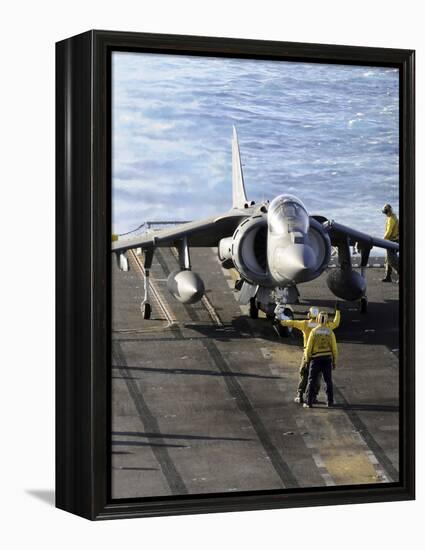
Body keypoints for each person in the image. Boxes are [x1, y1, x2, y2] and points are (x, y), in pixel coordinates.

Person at [280, 305, 340, 404]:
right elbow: (336, 323)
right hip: (321, 356)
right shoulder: (327, 327)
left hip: (308, 353)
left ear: (310, 314)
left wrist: (282, 322)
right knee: (317, 377)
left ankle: (300, 395)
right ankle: (314, 397)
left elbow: (292, 323)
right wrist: (337, 312)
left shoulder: (305, 324)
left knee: (304, 374)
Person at [303, 311, 338, 408]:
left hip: (316, 359)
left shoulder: (314, 331)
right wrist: (334, 361)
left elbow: (308, 348)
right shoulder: (330, 332)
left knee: (311, 380)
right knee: (328, 381)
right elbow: (334, 348)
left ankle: (308, 402)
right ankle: (330, 402)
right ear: (326, 320)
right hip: (327, 359)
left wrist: (307, 360)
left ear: (318, 319)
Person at [381, 203, 399, 282]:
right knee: (387, 259)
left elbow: (389, 231)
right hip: (393, 240)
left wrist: (383, 239)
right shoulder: (392, 216)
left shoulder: (391, 219)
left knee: (391, 260)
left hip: (392, 240)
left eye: (386, 212)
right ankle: (388, 276)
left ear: (388, 211)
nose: (385, 214)